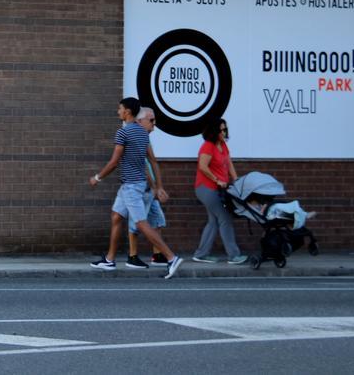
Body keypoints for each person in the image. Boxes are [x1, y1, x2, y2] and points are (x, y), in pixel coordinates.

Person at [89, 97, 184, 280]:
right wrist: (159, 186)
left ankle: (172, 258)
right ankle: (109, 259)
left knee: (141, 223)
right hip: (133, 185)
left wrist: (97, 177)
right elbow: (153, 161)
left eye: (120, 109)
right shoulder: (142, 133)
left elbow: (114, 162)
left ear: (128, 112)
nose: (118, 112)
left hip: (132, 187)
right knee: (116, 216)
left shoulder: (123, 133)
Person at [192, 117, 247, 264]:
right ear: (214, 131)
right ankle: (234, 255)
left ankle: (201, 254)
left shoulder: (222, 145)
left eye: (225, 129)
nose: (224, 132)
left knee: (213, 221)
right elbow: (203, 167)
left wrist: (236, 181)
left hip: (218, 188)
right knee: (225, 218)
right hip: (206, 188)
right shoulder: (208, 146)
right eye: (221, 129)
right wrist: (217, 180)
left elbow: (228, 163)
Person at [126, 106, 169, 268]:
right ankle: (132, 256)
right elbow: (143, 166)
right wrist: (155, 187)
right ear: (139, 121)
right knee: (136, 222)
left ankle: (157, 255)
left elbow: (152, 163)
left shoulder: (145, 137)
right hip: (141, 188)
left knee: (157, 220)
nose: (154, 124)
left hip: (150, 189)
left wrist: (157, 187)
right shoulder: (136, 138)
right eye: (151, 120)